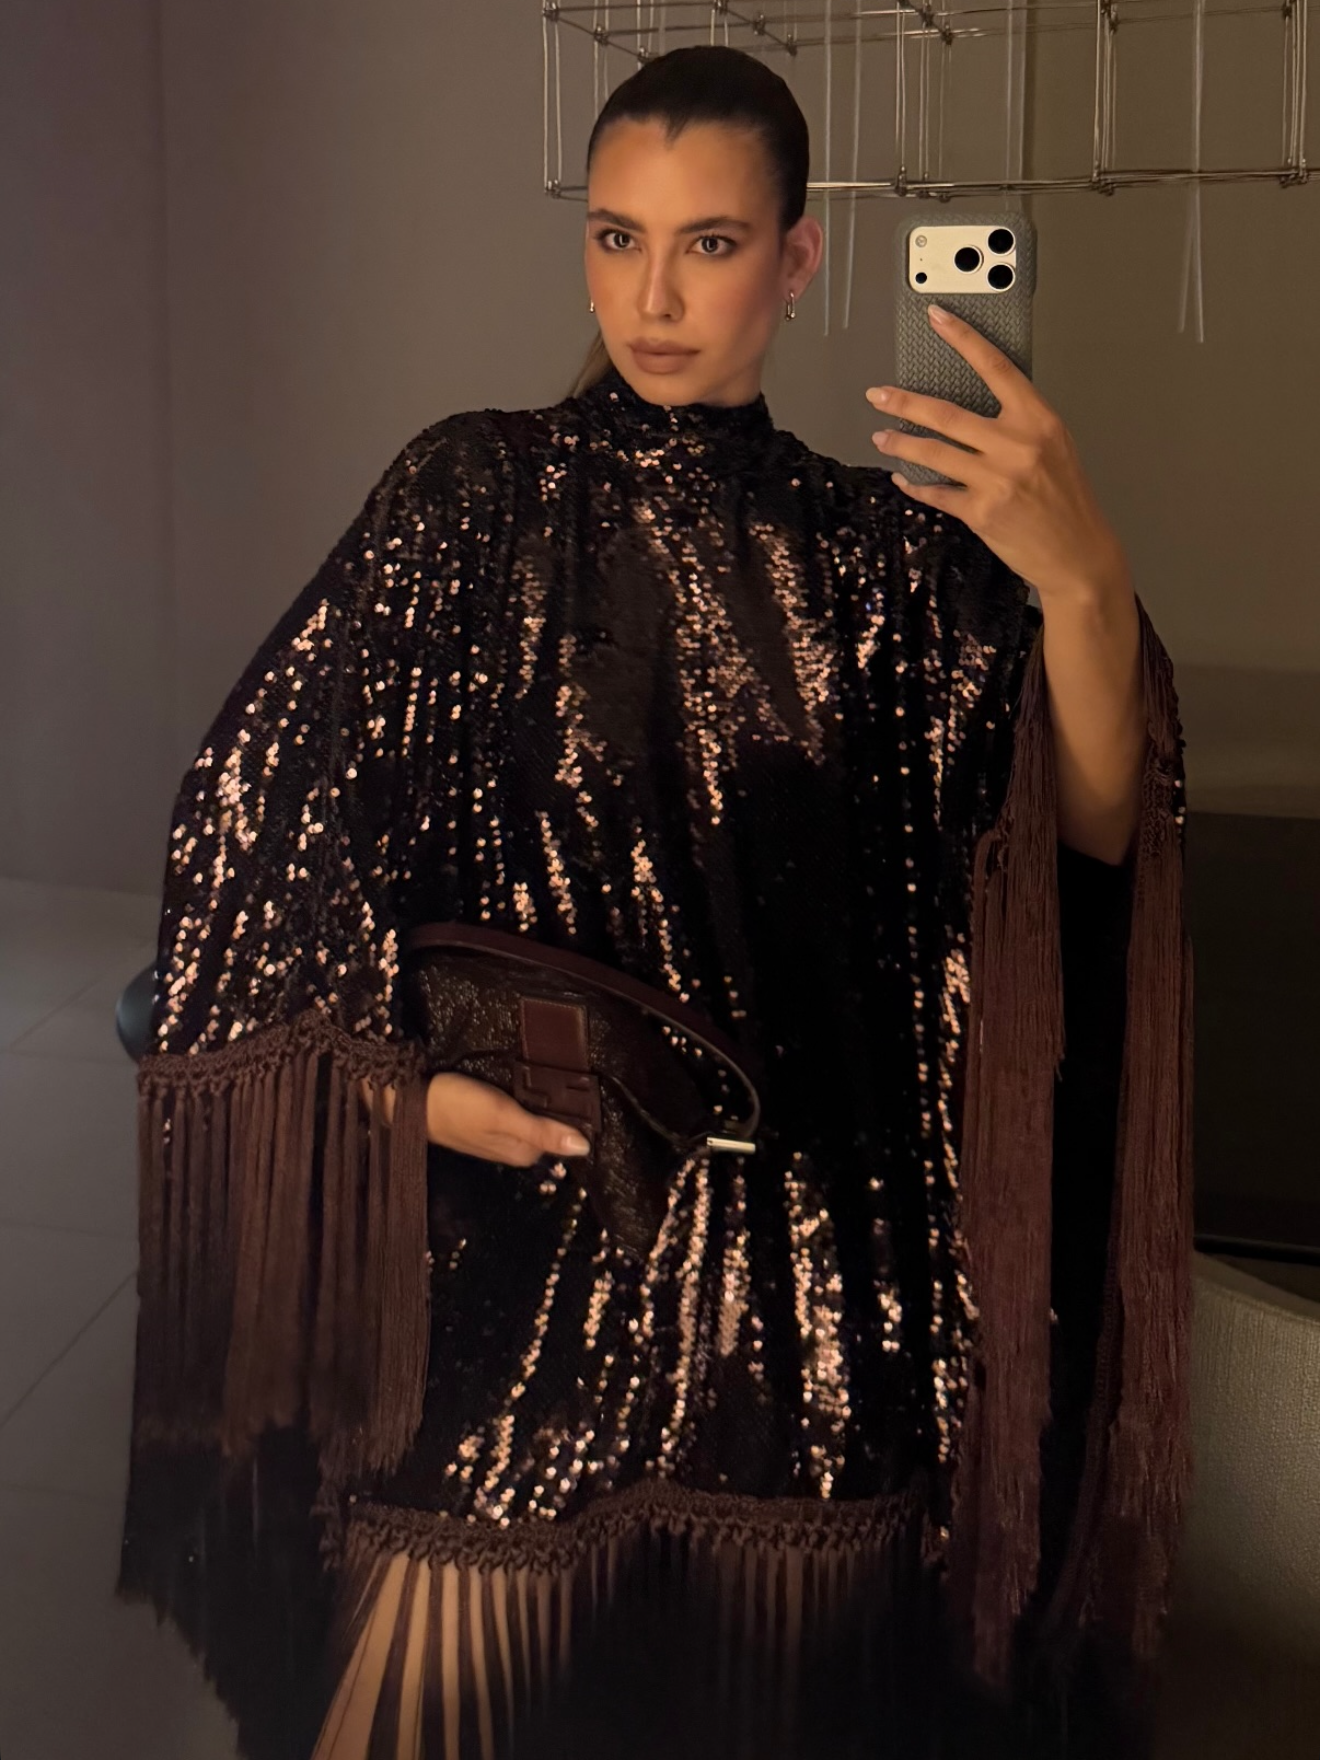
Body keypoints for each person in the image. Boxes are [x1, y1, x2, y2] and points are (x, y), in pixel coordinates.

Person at [117, 44, 1193, 1760]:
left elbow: (1082, 841)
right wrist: (395, 1096)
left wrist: (1085, 584)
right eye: (618, 238)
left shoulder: (888, 557)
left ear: (799, 257)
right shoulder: (470, 500)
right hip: (528, 1242)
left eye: (709, 243)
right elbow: (259, 821)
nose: (655, 296)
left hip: (810, 1286)